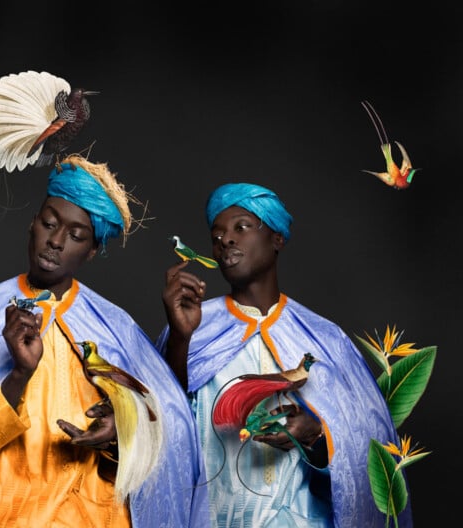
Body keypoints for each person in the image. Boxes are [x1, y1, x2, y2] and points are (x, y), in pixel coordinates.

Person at [0, 154, 203, 527]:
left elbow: (170, 426)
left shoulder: (116, 328)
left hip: (95, 516)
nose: (55, 241)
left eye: (76, 236)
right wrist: (19, 374)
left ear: (92, 250)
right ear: (32, 224)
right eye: (49, 223)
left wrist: (121, 431)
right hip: (6, 515)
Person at [158, 182, 412, 527]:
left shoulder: (325, 340)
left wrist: (316, 435)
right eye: (217, 235)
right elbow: (162, 425)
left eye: (241, 227)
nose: (226, 240)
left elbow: (368, 448)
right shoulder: (192, 327)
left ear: (276, 239)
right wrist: (180, 338)